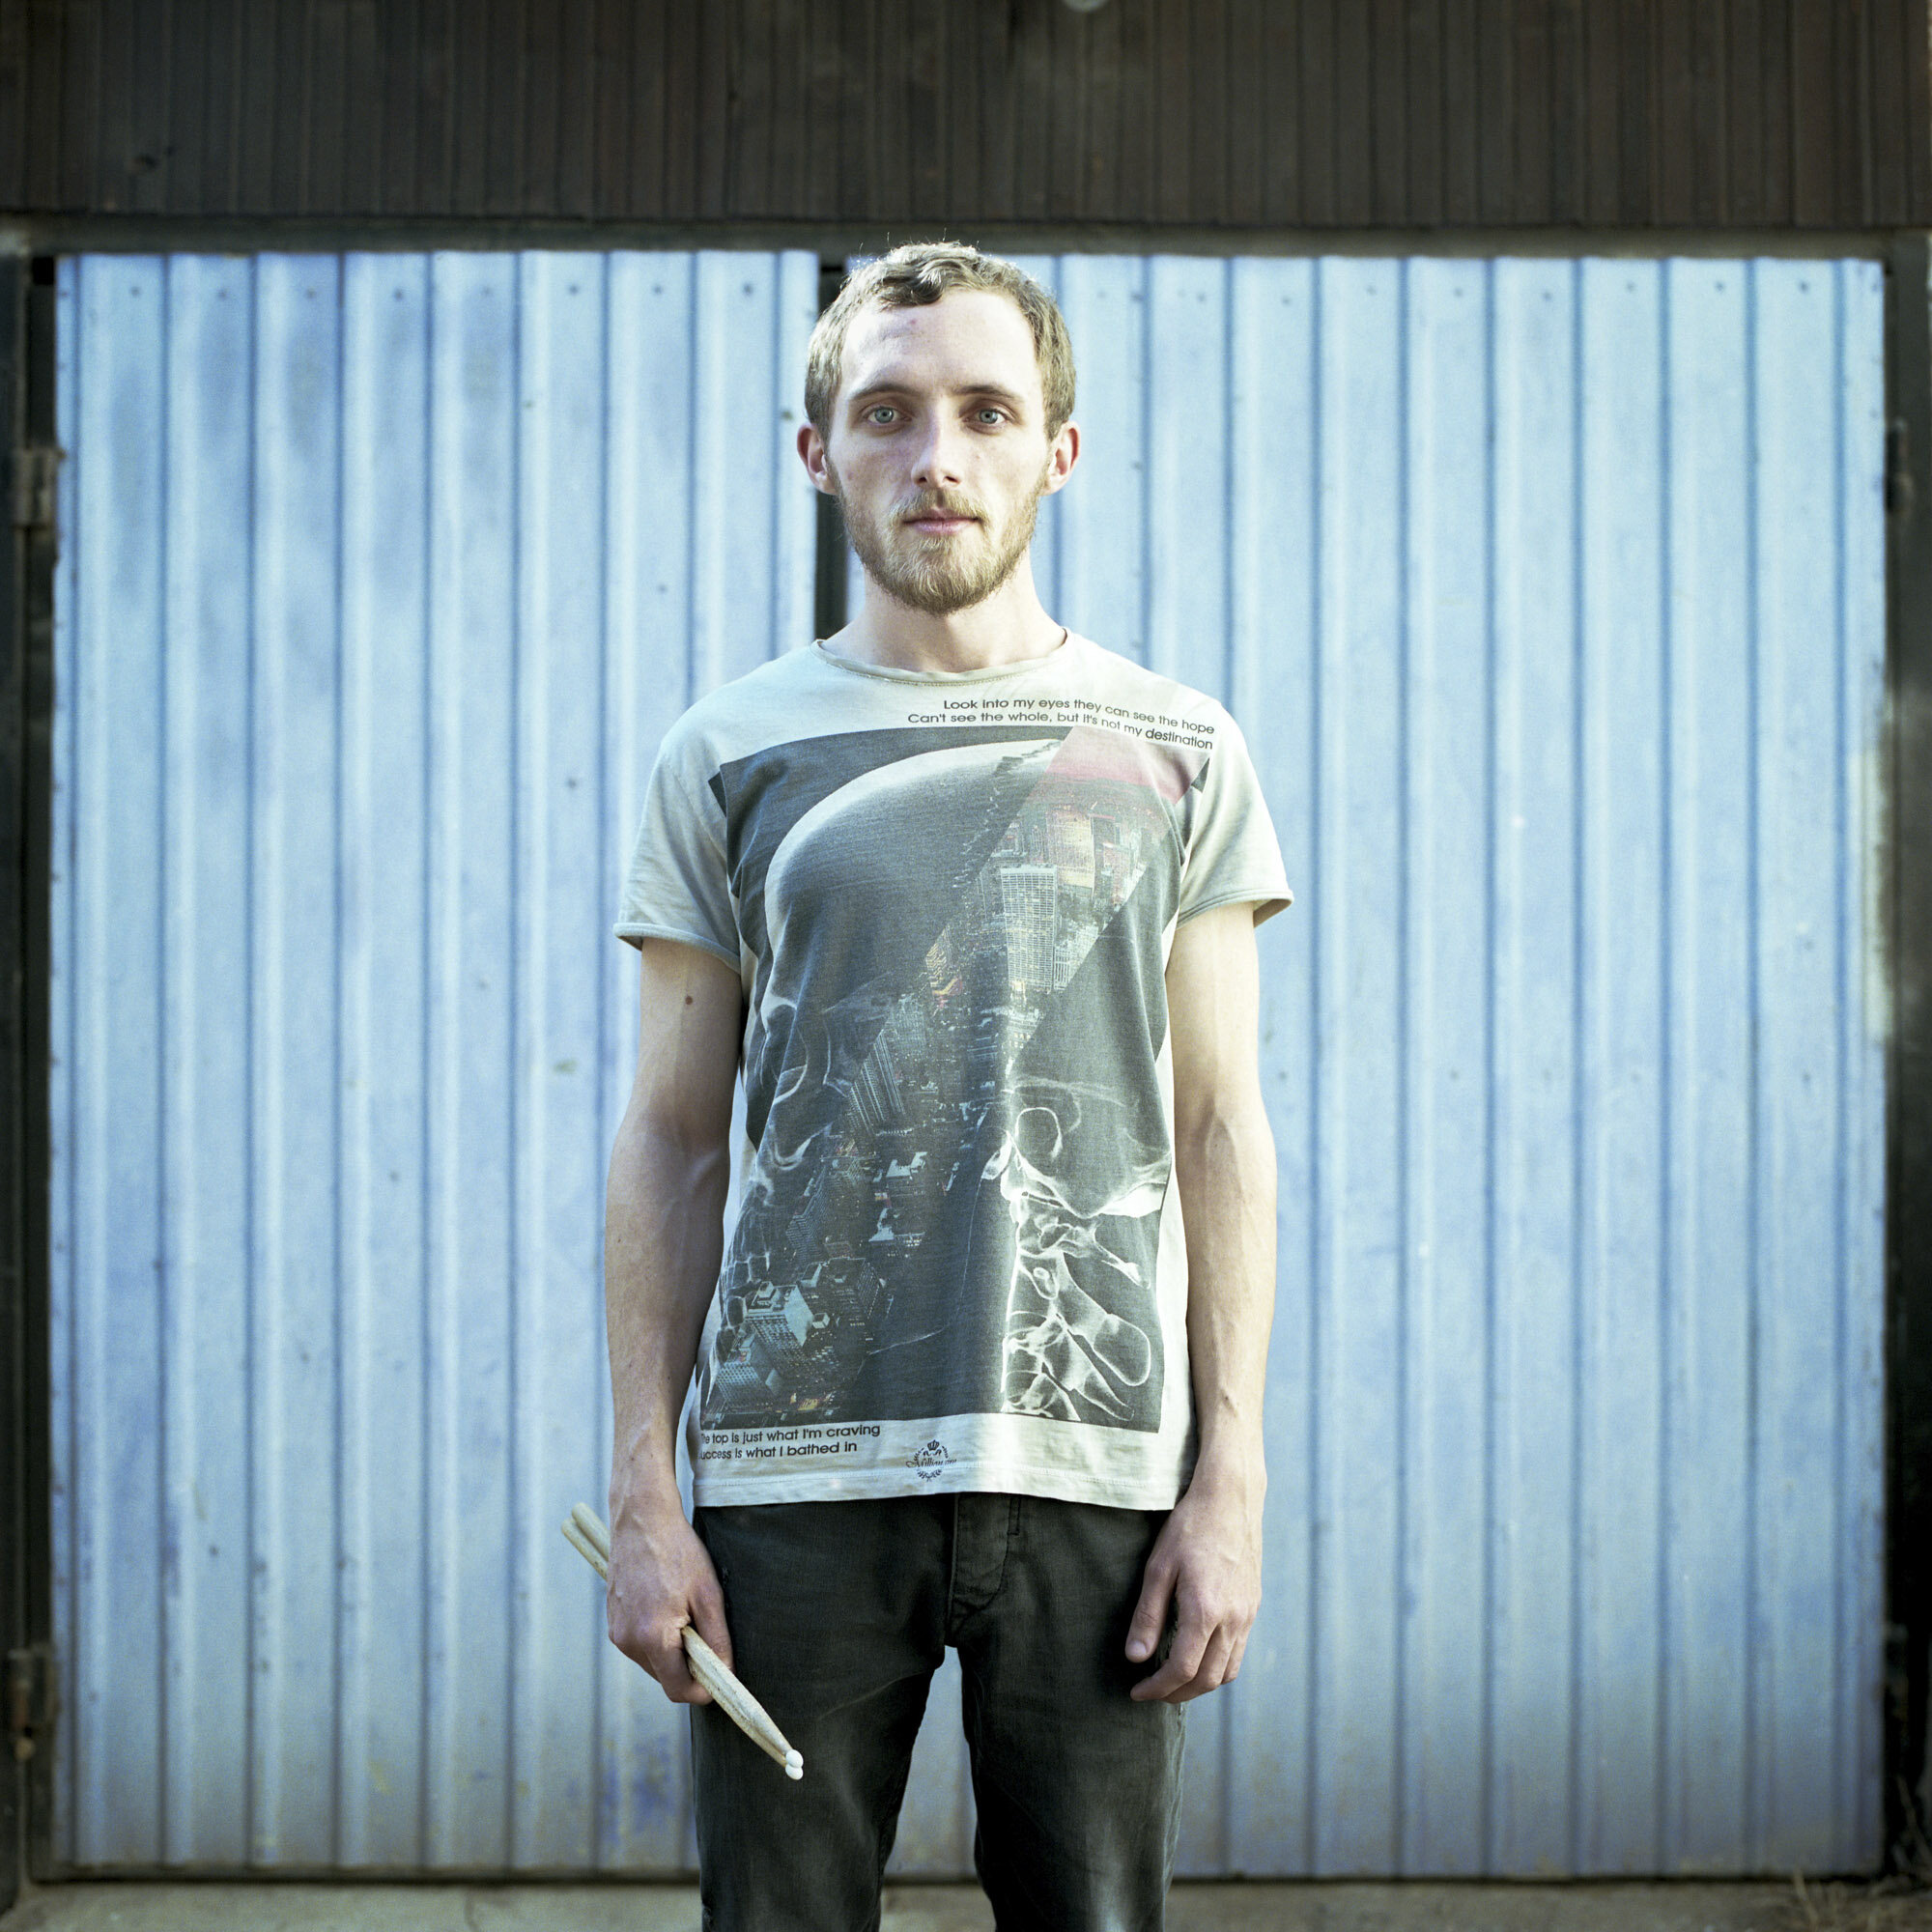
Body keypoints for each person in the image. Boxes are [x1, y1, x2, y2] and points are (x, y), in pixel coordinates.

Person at [604, 242, 1291, 1930]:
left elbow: (1217, 1129)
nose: (938, 457)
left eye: (986, 412)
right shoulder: (728, 751)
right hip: (789, 1496)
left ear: (1057, 447)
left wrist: (1233, 1476)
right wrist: (642, 1487)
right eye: (888, 414)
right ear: (817, 451)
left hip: (1101, 1489)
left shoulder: (1175, 744)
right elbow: (675, 1143)